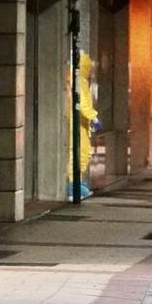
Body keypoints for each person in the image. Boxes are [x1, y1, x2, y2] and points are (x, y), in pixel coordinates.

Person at [68, 53, 103, 201]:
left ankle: (74, 183)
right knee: (80, 153)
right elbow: (83, 103)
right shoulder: (79, 80)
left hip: (78, 123)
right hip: (78, 124)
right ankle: (72, 186)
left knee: (79, 153)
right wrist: (94, 117)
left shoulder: (73, 78)